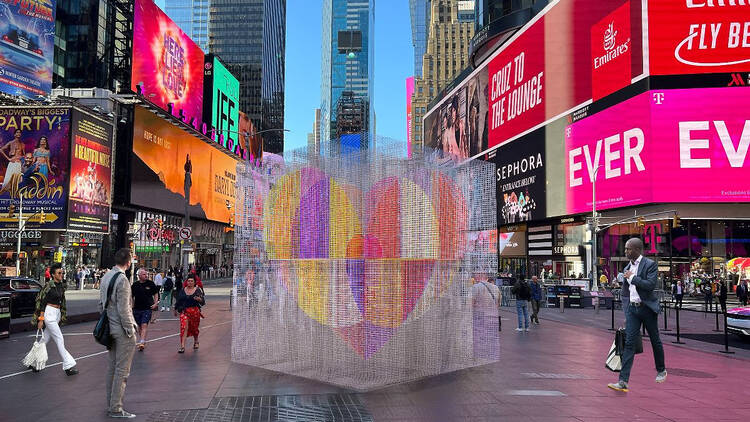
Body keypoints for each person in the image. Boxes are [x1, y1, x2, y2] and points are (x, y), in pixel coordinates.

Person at [608, 238, 666, 393]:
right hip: (633, 310)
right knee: (629, 343)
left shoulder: (650, 264)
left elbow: (650, 285)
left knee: (655, 340)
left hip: (647, 308)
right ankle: (623, 381)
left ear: (637, 249)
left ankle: (661, 370)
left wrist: (632, 278)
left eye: (628, 249)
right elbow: (626, 293)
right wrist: (627, 311)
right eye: (625, 249)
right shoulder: (628, 266)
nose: (626, 251)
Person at [99, 248, 138, 419]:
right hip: (122, 330)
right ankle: (116, 408)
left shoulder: (106, 276)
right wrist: (131, 329)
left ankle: (111, 403)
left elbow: (100, 304)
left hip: (109, 329)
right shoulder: (123, 280)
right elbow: (125, 309)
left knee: (112, 368)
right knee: (122, 371)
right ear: (128, 262)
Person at [30, 263, 78, 375]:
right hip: (49, 313)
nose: (61, 274)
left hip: (56, 314)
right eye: (59, 273)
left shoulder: (61, 285)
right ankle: (68, 366)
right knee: (60, 339)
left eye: (62, 273)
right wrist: (41, 319)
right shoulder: (48, 286)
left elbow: (62, 302)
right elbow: (42, 303)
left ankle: (32, 361)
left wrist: (61, 315)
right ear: (53, 274)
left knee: (44, 340)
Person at [174, 276, 205, 353]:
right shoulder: (183, 290)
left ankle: (196, 341)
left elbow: (203, 301)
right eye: (188, 281)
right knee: (184, 327)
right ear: (186, 282)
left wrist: (199, 299)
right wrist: (175, 309)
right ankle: (182, 347)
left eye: (191, 281)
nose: (190, 283)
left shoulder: (197, 290)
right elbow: (178, 300)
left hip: (194, 312)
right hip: (184, 312)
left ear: (194, 283)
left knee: (194, 328)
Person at [131, 268, 159, 351]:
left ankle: (142, 342)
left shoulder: (150, 284)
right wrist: (132, 305)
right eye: (144, 274)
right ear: (139, 276)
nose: (146, 275)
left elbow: (155, 293)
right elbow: (131, 296)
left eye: (146, 274)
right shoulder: (135, 285)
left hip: (147, 308)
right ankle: (142, 340)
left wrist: (155, 303)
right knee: (139, 326)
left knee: (144, 324)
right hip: (137, 308)